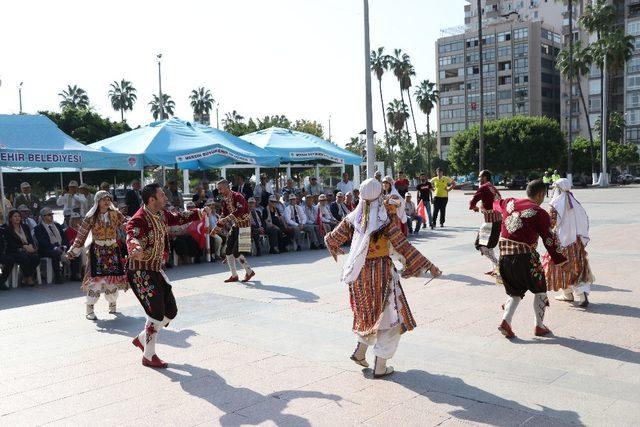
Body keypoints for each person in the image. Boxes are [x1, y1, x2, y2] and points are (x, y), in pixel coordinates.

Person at [324, 178, 442, 378]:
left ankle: (360, 352)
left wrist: (340, 250)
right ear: (380, 195)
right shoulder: (384, 220)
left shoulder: (352, 218)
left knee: (367, 313)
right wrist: (429, 265)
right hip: (381, 273)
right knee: (390, 318)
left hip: (358, 274)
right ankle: (380, 366)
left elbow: (330, 238)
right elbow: (404, 246)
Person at [126, 183, 207, 368]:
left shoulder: (161, 214)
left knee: (171, 312)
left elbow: (177, 217)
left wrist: (199, 213)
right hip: (140, 271)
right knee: (156, 313)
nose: (166, 198)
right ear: (151, 199)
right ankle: (149, 355)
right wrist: (135, 247)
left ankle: (141, 338)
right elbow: (131, 235)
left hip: (155, 269)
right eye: (162, 195)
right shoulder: (138, 219)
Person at [497, 180, 568, 340]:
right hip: (526, 259)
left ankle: (505, 322)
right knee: (540, 290)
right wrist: (562, 261)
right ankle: (539, 326)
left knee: (515, 292)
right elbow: (549, 240)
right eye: (544, 195)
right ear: (540, 194)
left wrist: (482, 206)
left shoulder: (509, 202)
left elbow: (496, 203)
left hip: (504, 259)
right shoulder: (539, 212)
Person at [67, 191, 129, 320]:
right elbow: (82, 234)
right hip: (97, 252)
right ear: (97, 201)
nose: (106, 201)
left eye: (108, 199)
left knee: (112, 280)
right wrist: (74, 250)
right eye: (103, 199)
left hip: (112, 251)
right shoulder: (91, 216)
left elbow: (127, 225)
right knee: (95, 281)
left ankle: (112, 303)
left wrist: (137, 230)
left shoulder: (115, 214)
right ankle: (89, 308)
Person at [543, 178, 594, 308]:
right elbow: (584, 219)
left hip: (561, 242)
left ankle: (567, 294)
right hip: (576, 242)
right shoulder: (574, 201)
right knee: (578, 266)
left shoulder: (555, 204)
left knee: (560, 266)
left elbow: (551, 223)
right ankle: (582, 295)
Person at [211, 180, 255, 283]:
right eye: (218, 189)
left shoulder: (238, 196)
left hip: (245, 226)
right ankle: (234, 275)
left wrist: (225, 219)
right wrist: (216, 229)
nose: (219, 191)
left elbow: (240, 211)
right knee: (228, 251)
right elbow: (224, 214)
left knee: (236, 252)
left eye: (220, 189)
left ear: (227, 187)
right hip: (236, 226)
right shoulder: (225, 200)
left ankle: (249, 271)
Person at [469, 170, 503, 275]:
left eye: (479, 177)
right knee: (489, 246)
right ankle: (496, 269)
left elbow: (473, 200)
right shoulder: (492, 187)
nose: (478, 179)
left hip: (490, 222)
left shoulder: (483, 187)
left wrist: (474, 207)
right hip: (497, 220)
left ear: (484, 177)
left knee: (480, 245)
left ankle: (499, 267)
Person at [0, 209, 40, 287]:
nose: (17, 218)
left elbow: (30, 239)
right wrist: (23, 247)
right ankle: (29, 278)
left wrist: (31, 245)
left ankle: (25, 277)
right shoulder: (7, 229)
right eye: (15, 216)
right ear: (10, 218)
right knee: (24, 257)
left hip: (27, 248)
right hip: (15, 250)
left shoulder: (25, 227)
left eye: (19, 216)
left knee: (36, 257)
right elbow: (11, 244)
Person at [34, 207, 68, 284]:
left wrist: (64, 246)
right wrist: (55, 248)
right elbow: (42, 242)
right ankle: (58, 276)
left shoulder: (57, 225)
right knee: (55, 253)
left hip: (61, 246)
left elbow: (65, 238)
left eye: (52, 214)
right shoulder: (38, 228)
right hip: (46, 249)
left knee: (75, 250)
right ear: (43, 217)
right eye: (49, 214)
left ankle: (75, 274)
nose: (51, 216)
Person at [64, 212, 83, 281]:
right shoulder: (69, 230)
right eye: (74, 219)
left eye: (78, 219)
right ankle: (77, 273)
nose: (76, 221)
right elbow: (69, 242)